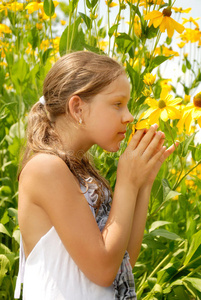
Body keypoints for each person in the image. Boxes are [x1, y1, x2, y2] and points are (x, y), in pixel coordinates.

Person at [14, 51, 177, 300]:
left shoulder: (78, 172)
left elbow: (122, 263)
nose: (129, 116)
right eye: (117, 104)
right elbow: (103, 270)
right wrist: (126, 182)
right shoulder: (45, 168)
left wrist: (142, 184)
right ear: (78, 107)